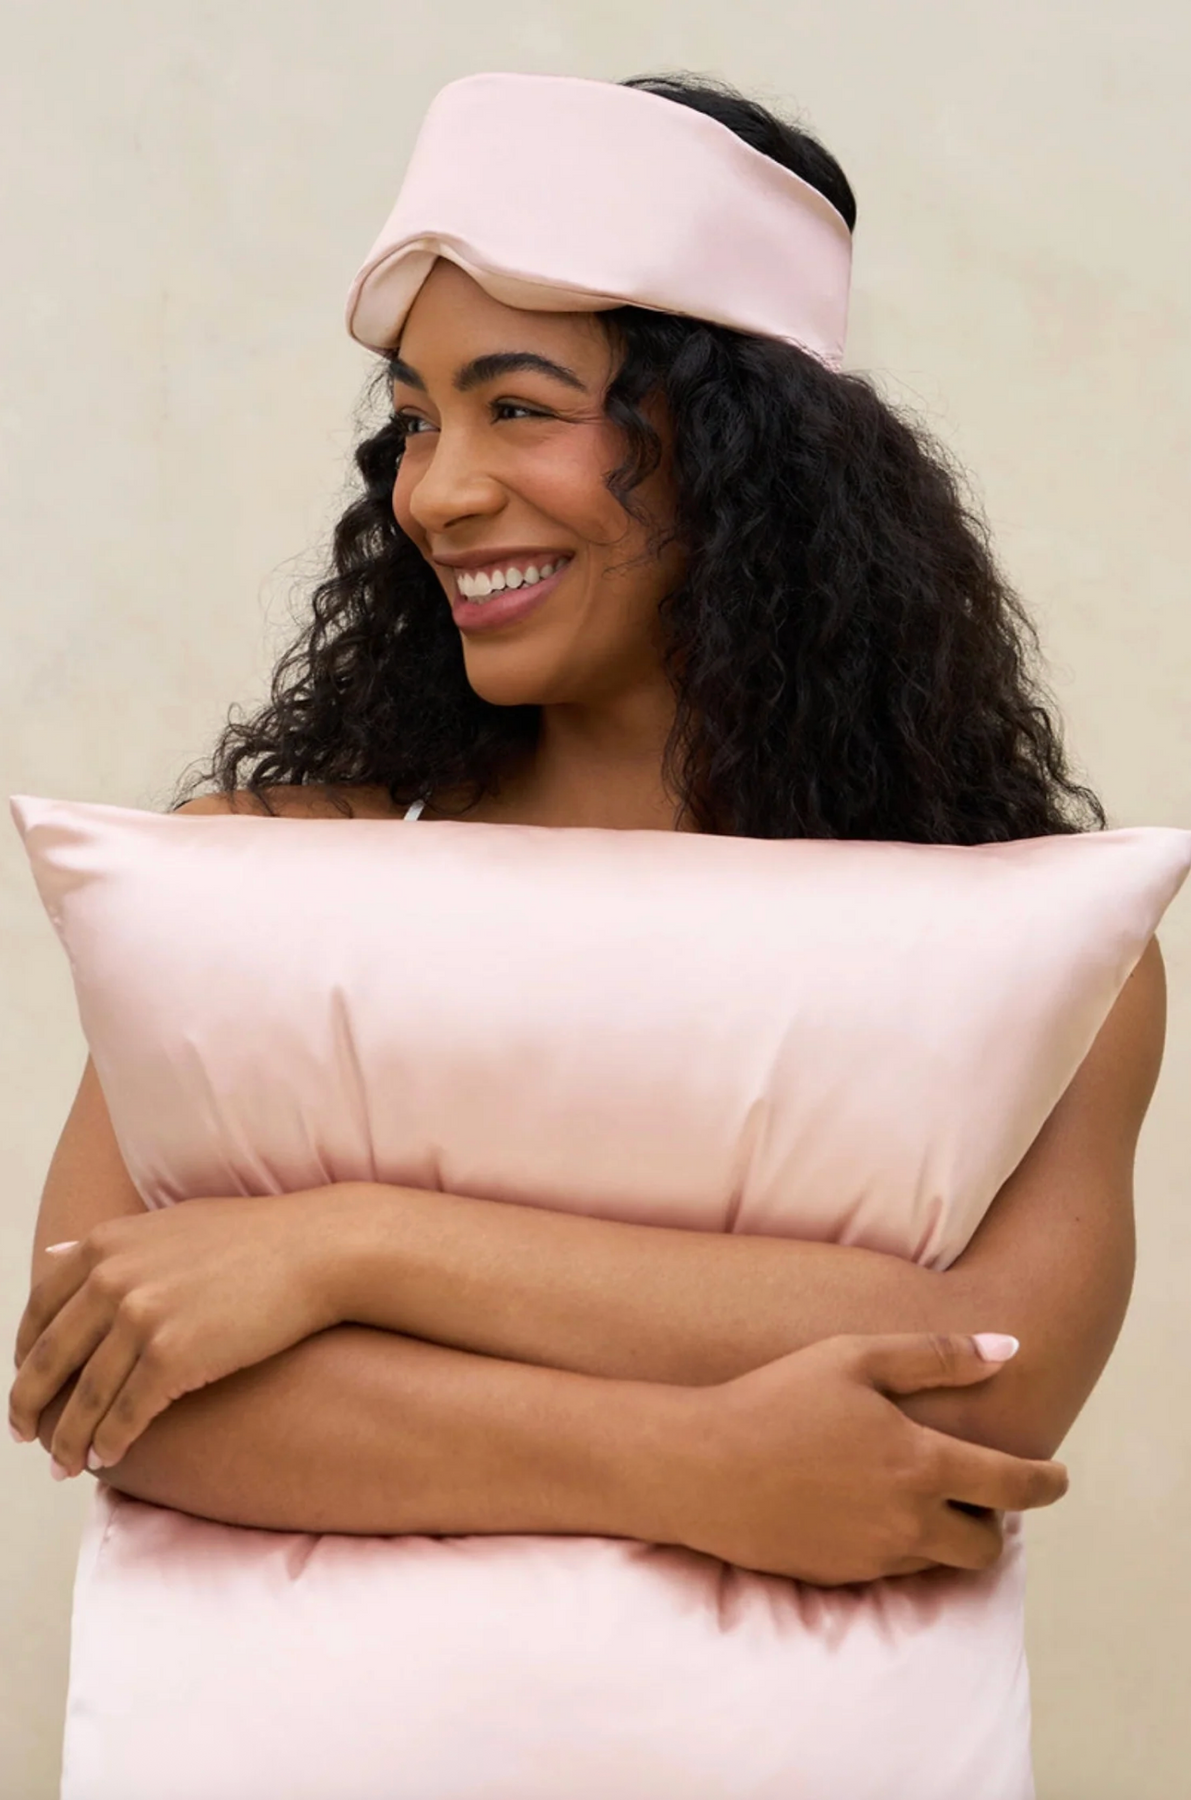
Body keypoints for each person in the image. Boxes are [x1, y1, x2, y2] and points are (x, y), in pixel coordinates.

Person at [10, 69, 1165, 1798]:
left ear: (742, 450)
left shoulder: (1029, 950)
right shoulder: (263, 883)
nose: (436, 492)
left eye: (517, 407)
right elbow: (99, 1372)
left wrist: (346, 1248)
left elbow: (980, 1388)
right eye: (415, 419)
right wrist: (693, 1460)